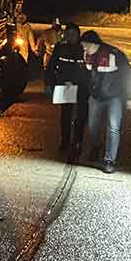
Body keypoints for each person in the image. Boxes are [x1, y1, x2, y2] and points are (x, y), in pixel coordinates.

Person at [79, 30, 131, 174]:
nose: (84, 48)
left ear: (94, 43)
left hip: (114, 96)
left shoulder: (114, 54)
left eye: (85, 45)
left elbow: (128, 75)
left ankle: (109, 160)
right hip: (95, 97)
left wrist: (130, 98)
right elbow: (85, 75)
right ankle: (96, 146)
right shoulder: (87, 55)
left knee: (113, 127)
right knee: (93, 126)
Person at [44, 23, 89, 161]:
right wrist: (49, 84)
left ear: (78, 35)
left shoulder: (84, 48)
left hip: (82, 87)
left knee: (81, 116)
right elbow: (51, 67)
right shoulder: (60, 47)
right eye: (68, 34)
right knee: (66, 115)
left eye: (74, 34)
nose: (71, 37)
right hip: (65, 85)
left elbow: (90, 69)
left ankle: (78, 142)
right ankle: (65, 141)